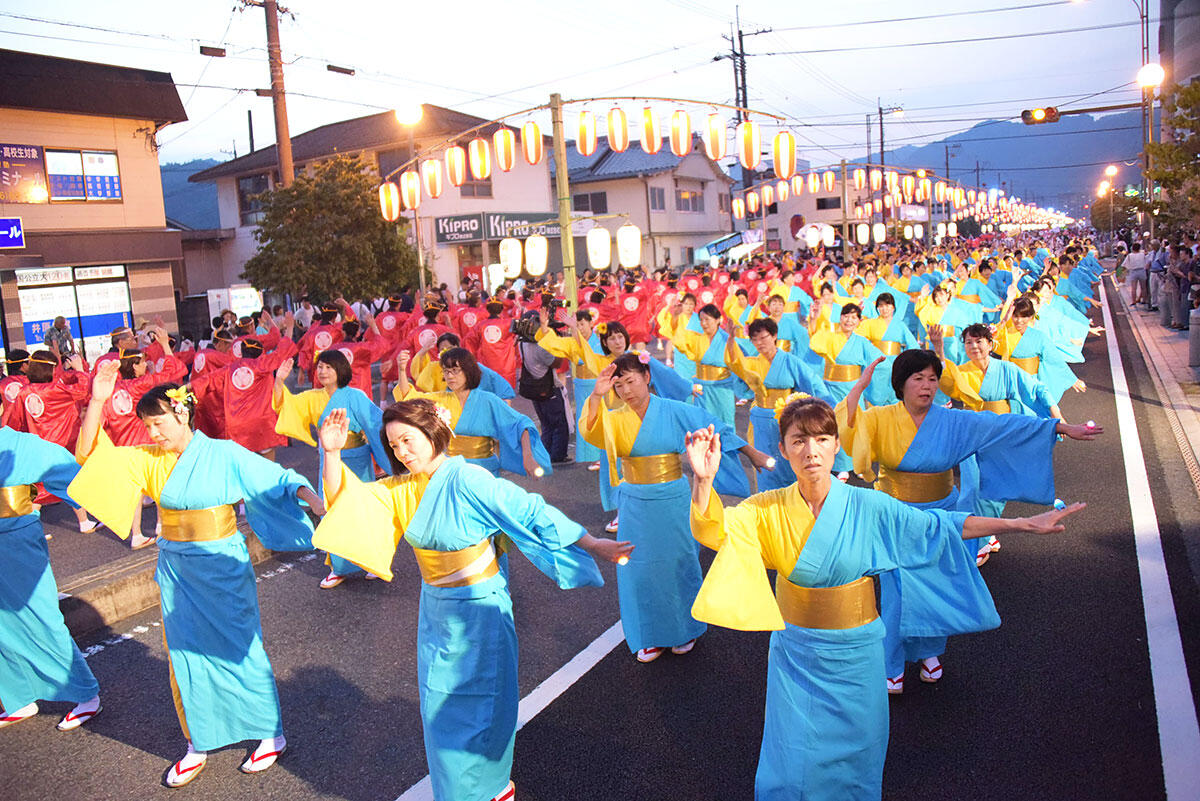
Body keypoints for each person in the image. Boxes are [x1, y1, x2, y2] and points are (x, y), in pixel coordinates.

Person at [684, 397, 1086, 801]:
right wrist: (702, 482)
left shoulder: (867, 505)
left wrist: (1019, 522)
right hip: (797, 652)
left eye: (822, 439)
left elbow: (936, 526)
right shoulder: (765, 509)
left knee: (857, 752)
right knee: (793, 754)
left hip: (857, 650)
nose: (811, 451)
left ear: (836, 444)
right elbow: (719, 532)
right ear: (784, 448)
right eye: (798, 440)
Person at [311, 399, 630, 801]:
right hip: (436, 610)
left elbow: (530, 511)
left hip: (480, 608)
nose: (402, 453)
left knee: (483, 705)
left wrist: (592, 541)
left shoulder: (468, 479)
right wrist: (333, 452)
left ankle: (493, 788)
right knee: (438, 707)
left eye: (407, 441)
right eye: (393, 447)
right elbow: (347, 506)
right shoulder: (400, 490)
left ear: (433, 433)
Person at [71, 366, 322, 787]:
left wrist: (311, 498)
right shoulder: (148, 459)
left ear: (182, 413)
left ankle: (269, 732)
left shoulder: (223, 453)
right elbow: (87, 456)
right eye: (147, 426)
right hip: (176, 567)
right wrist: (96, 401)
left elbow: (276, 479)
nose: (153, 433)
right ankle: (198, 742)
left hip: (222, 563)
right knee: (185, 654)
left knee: (240, 646)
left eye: (159, 423)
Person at [840, 350, 1102, 692]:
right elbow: (848, 432)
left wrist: (1059, 426)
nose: (927, 386)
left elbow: (1002, 425)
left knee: (937, 583)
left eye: (933, 379)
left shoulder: (952, 421)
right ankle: (891, 662)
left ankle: (930, 651)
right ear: (900, 384)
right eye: (917, 378)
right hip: (896, 516)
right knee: (898, 590)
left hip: (942, 513)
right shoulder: (879, 418)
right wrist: (858, 389)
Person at [581, 353, 770, 662]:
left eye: (631, 381)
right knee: (637, 565)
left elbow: (716, 429)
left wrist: (752, 453)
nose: (626, 391)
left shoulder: (673, 410)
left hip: (672, 497)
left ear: (647, 377)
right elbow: (591, 431)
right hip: (634, 500)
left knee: (679, 562)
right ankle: (649, 634)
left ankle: (685, 628)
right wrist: (596, 396)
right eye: (618, 385)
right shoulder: (614, 418)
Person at [0, 427, 101, 732]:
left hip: (16, 540)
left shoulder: (19, 444)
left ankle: (86, 695)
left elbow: (75, 476)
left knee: (42, 617)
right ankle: (18, 697)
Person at [273, 349, 390, 589]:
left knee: (362, 510)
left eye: (328, 367)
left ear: (340, 370)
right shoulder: (312, 397)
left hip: (357, 460)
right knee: (333, 511)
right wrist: (279, 380)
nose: (323, 371)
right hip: (330, 460)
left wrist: (389, 455)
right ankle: (340, 567)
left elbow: (375, 422)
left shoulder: (355, 396)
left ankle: (372, 562)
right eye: (320, 367)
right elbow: (284, 405)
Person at [515, 313, 571, 463]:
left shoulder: (522, 343)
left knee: (546, 424)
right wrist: (560, 345)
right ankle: (558, 456)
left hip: (534, 388)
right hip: (548, 388)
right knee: (559, 424)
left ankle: (545, 454)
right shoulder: (541, 346)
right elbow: (556, 363)